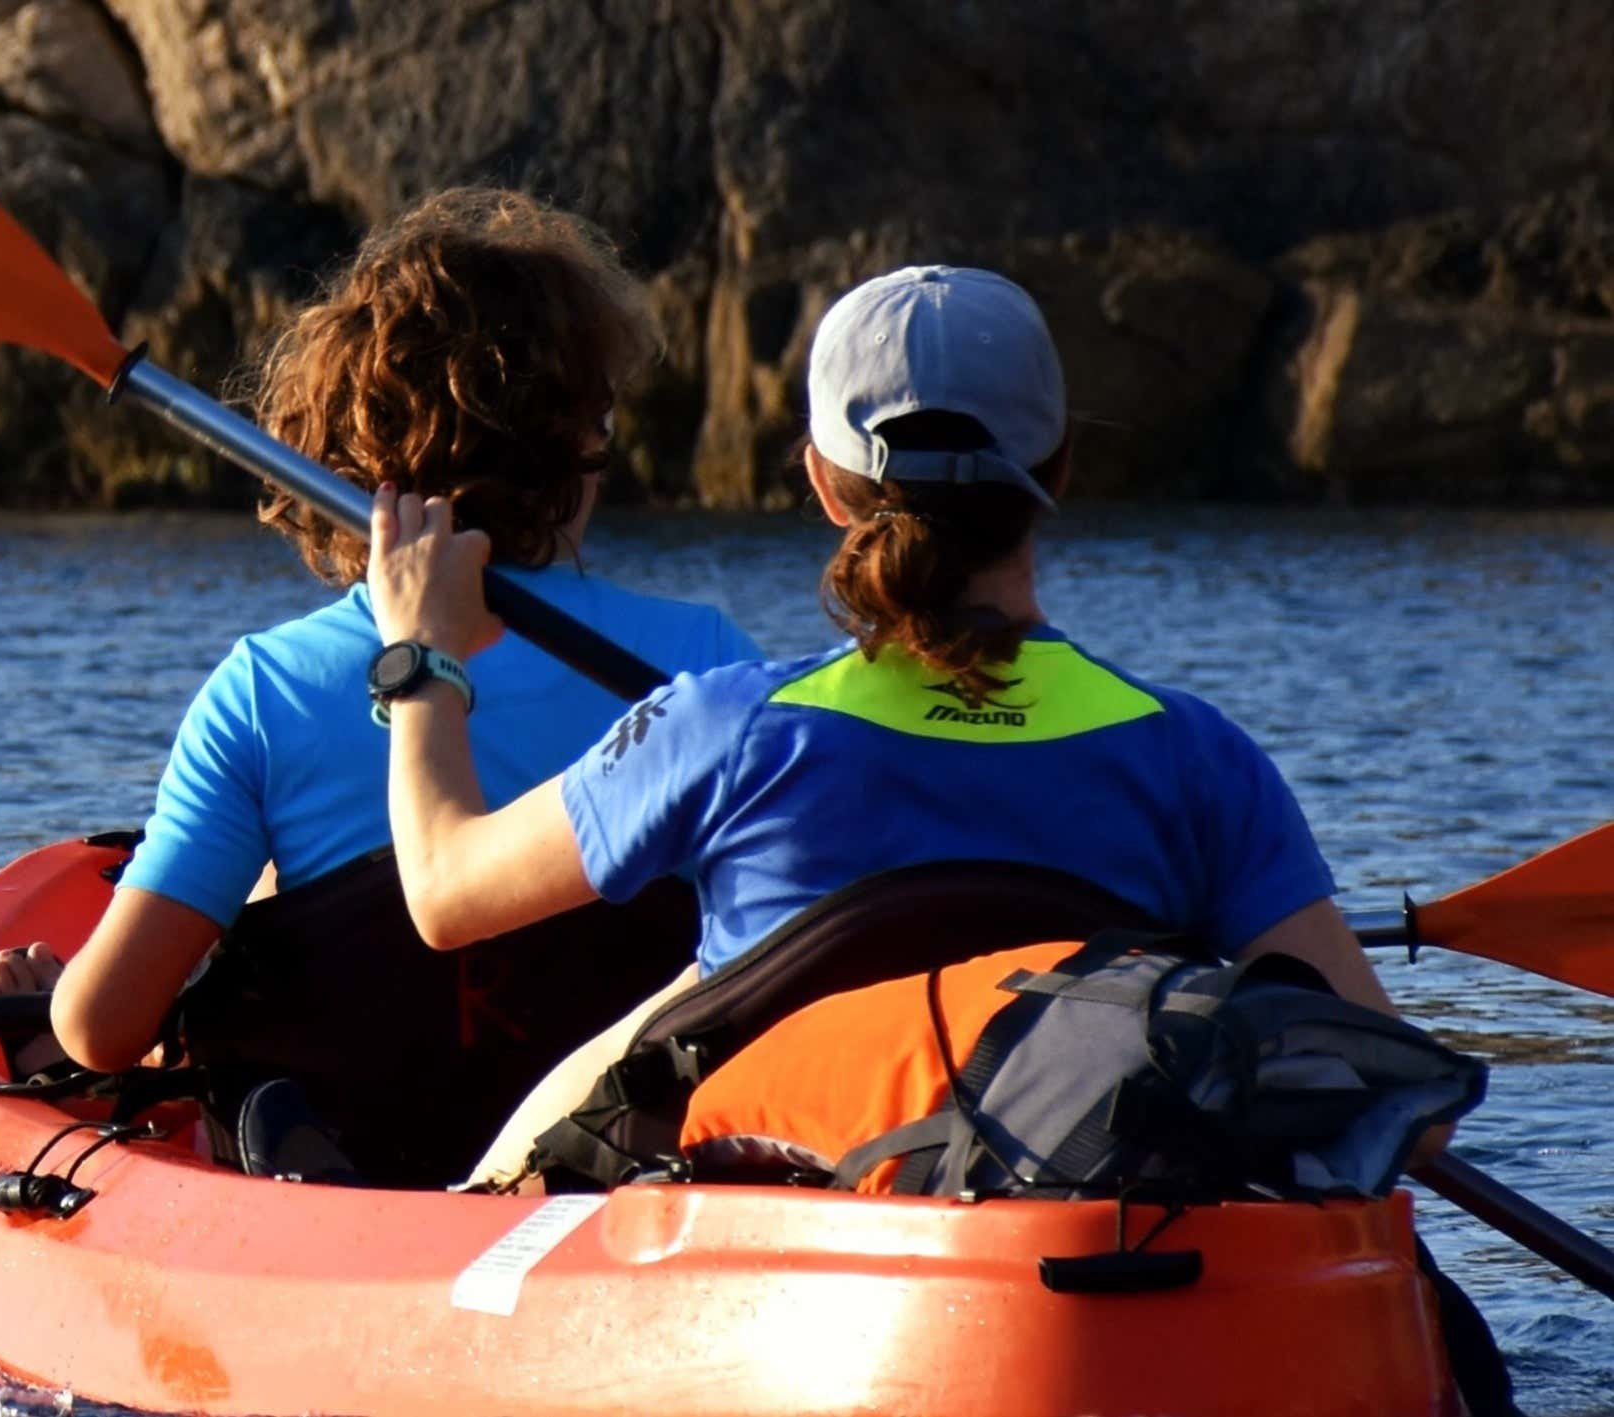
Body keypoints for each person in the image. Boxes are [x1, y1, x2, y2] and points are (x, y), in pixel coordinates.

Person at [358, 265, 1407, 1192]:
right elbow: (1393, 1095)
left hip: (796, 1249)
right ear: (1059, 476)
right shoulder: (1195, 757)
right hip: (1102, 1240)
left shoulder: (720, 729)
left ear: (821, 482)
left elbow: (446, 894)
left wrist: (420, 656)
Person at [0, 190, 761, 1180]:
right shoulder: (706, 657)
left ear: (335, 454)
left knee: (225, 927)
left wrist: (58, 1007)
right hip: (607, 1176)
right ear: (581, 437)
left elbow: (102, 1025)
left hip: (358, 1187)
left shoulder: (264, 691)